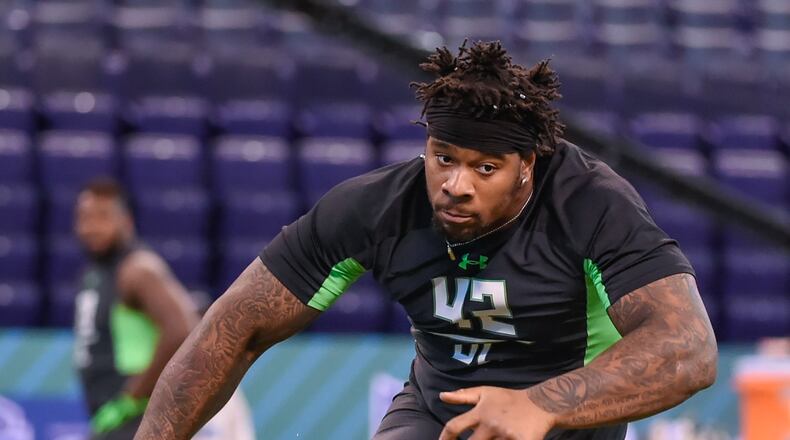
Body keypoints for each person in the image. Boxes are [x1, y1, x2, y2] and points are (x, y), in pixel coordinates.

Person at [133, 41, 718, 440]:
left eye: (485, 168)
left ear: (527, 166)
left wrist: (539, 404)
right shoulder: (374, 208)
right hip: (438, 410)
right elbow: (231, 329)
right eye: (443, 158)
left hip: (568, 420)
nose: (456, 186)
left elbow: (688, 347)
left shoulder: (591, 205)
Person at [73, 178, 255, 440]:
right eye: (85, 218)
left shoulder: (138, 269)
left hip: (144, 416)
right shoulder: (95, 273)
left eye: (103, 217)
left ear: (126, 221)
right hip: (115, 417)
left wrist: (131, 398)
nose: (91, 227)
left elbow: (181, 330)